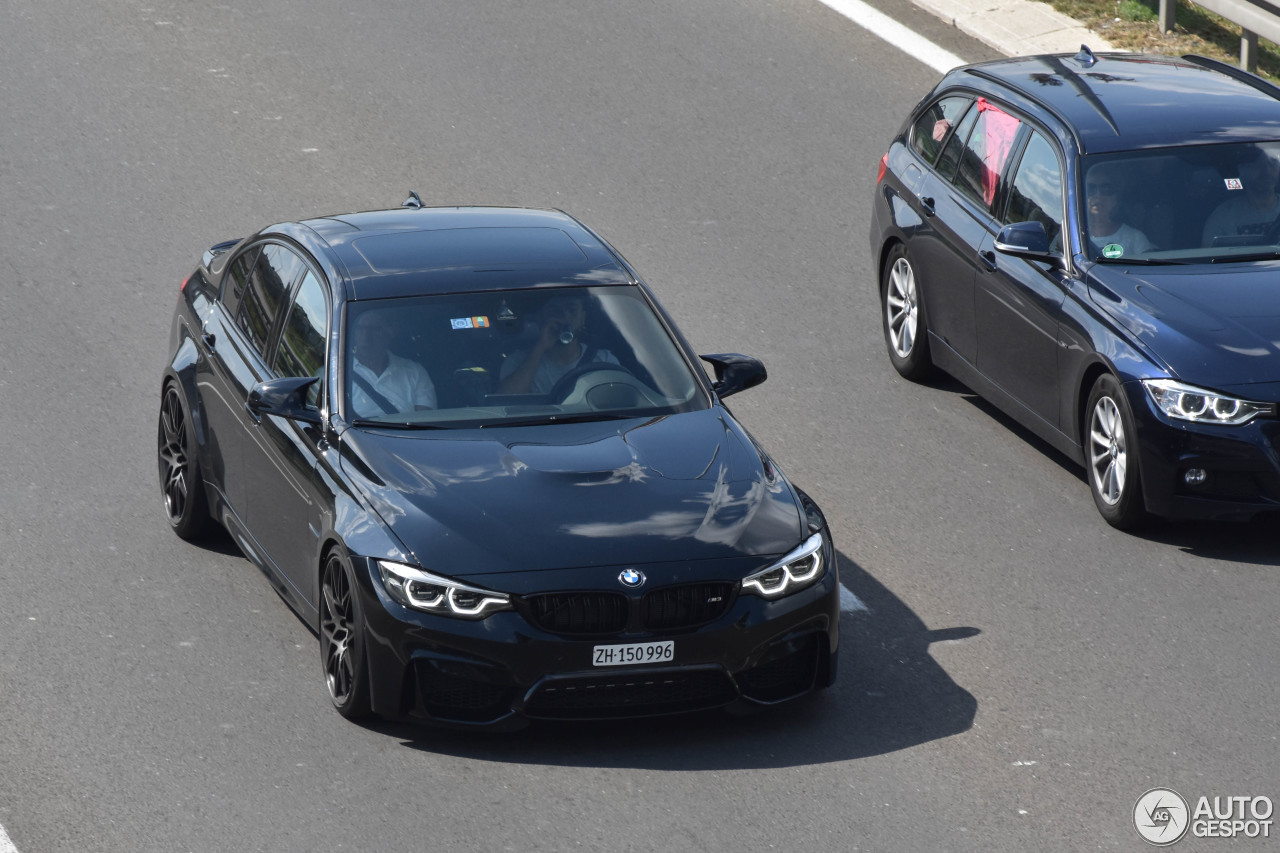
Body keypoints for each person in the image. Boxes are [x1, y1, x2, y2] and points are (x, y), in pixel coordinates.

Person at [498, 294, 619, 394]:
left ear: (583, 318)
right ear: (540, 318)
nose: (564, 317)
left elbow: (622, 397)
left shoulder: (604, 361)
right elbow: (507, 399)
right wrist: (540, 346)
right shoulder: (516, 361)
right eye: (554, 310)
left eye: (572, 310)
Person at [348, 309, 436, 416]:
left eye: (374, 329)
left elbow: (425, 420)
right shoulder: (336, 374)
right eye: (360, 329)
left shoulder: (414, 372)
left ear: (391, 331)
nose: (366, 336)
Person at [1202, 145, 1280, 246]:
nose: (1267, 171)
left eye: (1272, 164)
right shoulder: (1224, 215)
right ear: (1243, 171)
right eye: (1257, 165)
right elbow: (1208, 256)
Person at [1085, 162, 1152, 257]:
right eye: (1091, 189)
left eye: (1106, 189)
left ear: (1116, 198)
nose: (1098, 196)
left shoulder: (1135, 238)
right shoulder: (1070, 237)